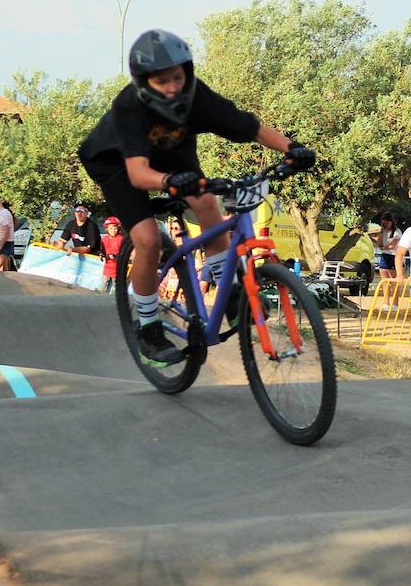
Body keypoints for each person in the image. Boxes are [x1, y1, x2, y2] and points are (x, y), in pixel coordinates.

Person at [77, 29, 311, 364]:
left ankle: (229, 293)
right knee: (147, 239)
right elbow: (138, 174)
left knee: (206, 201)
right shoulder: (130, 106)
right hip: (119, 164)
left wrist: (294, 148)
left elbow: (251, 128)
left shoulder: (196, 95)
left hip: (173, 154)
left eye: (178, 77)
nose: (174, 87)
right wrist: (170, 180)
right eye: (162, 81)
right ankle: (148, 326)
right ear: (144, 83)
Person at [99, 215, 126, 293]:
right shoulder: (104, 239)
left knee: (116, 287)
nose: (113, 230)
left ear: (118, 228)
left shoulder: (121, 239)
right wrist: (101, 254)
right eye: (111, 228)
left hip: (118, 268)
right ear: (107, 229)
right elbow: (102, 250)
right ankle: (100, 299)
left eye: (115, 228)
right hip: (107, 267)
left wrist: (116, 256)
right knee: (103, 285)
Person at [374, 211, 400, 280]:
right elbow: (378, 244)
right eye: (384, 223)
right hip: (384, 256)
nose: (386, 225)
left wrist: (383, 248)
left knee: (393, 280)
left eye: (387, 223)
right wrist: (381, 233)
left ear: (391, 222)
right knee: (384, 280)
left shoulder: (397, 231)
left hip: (393, 256)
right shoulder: (383, 231)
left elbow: (392, 245)